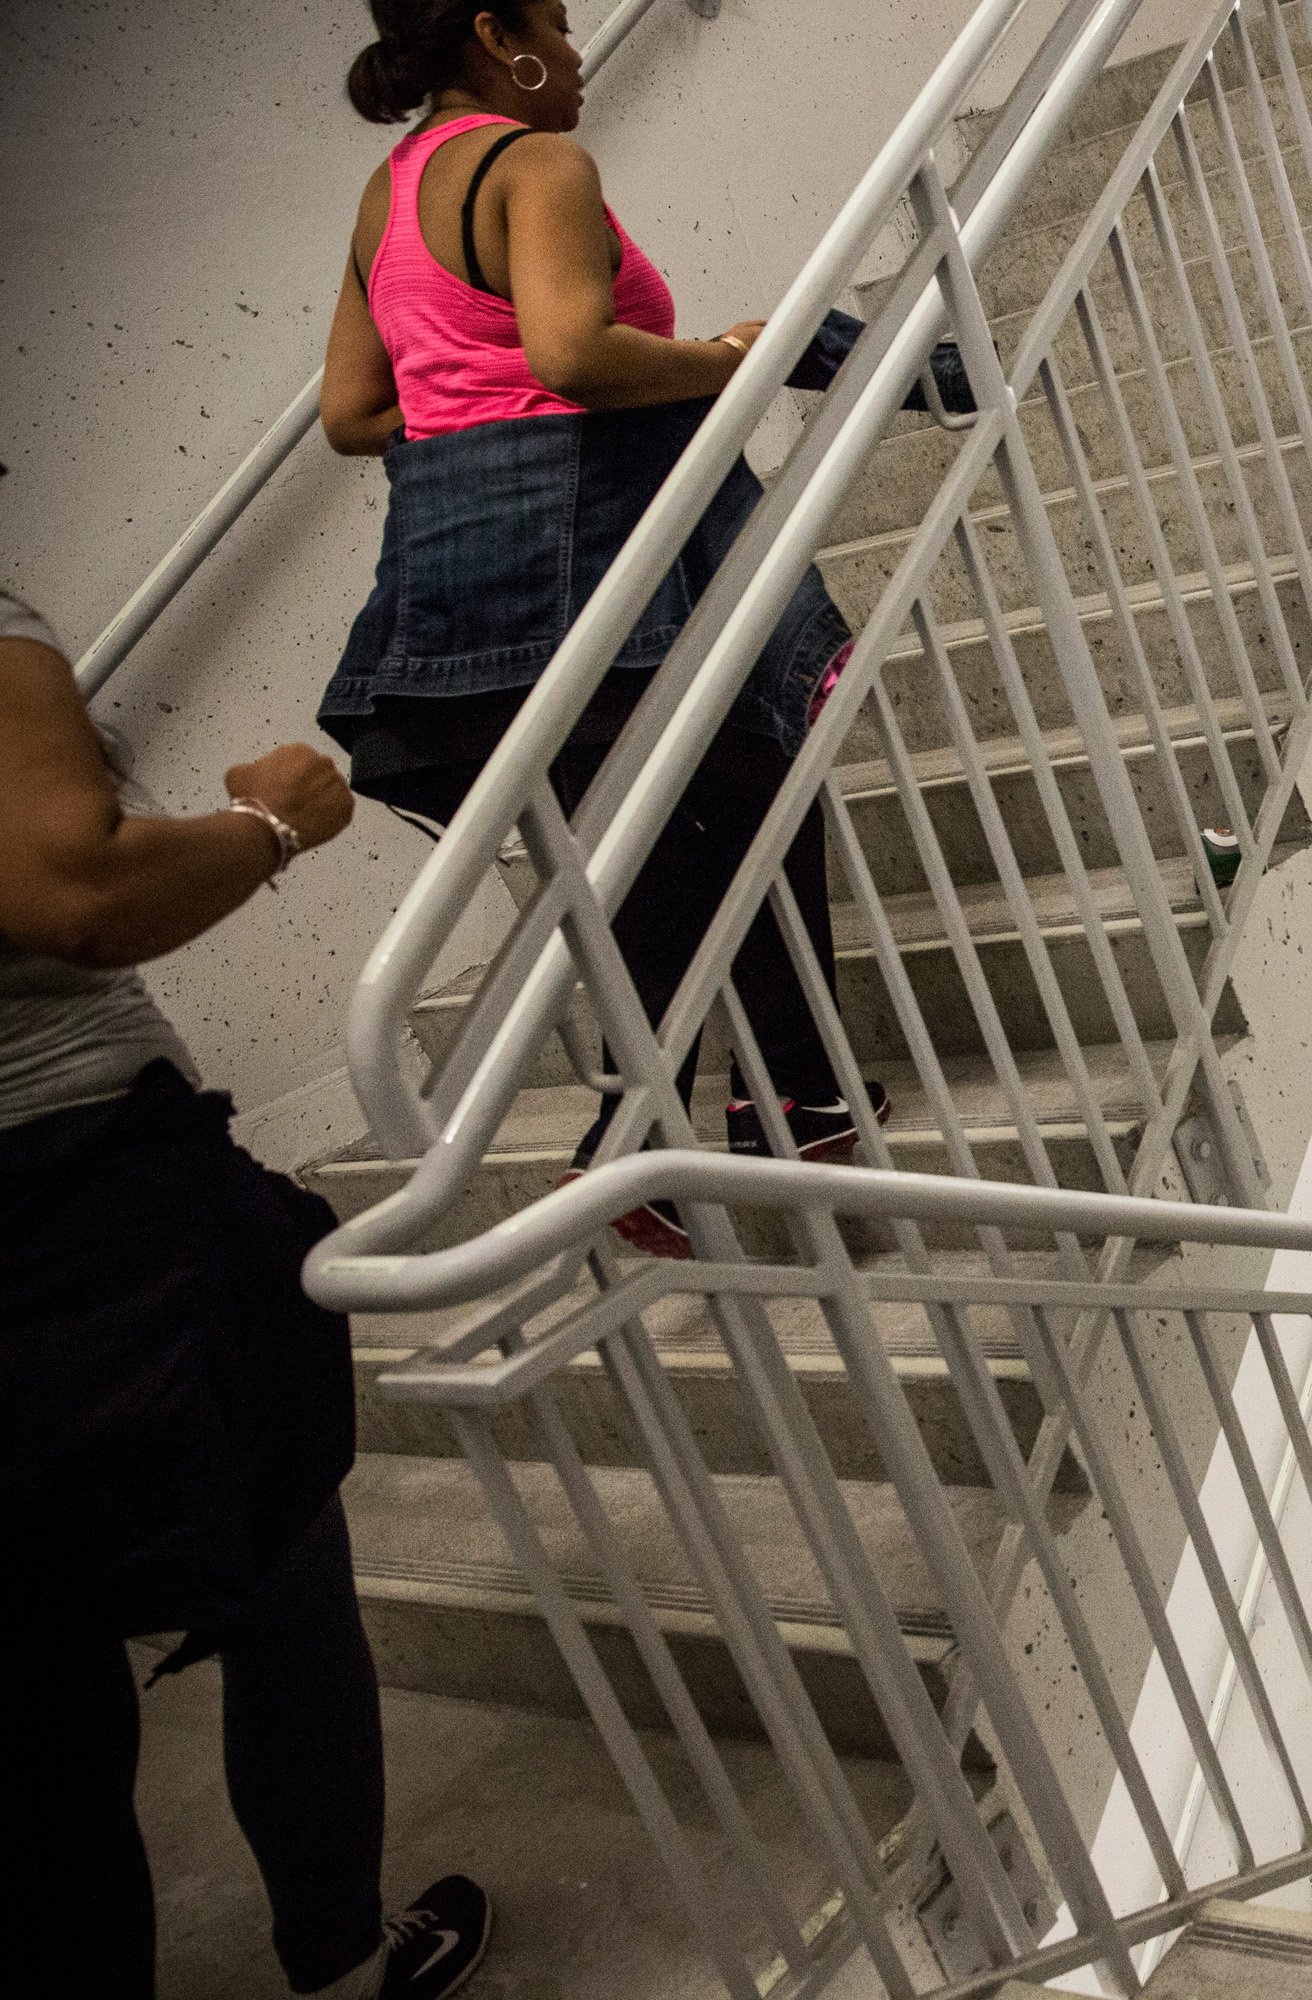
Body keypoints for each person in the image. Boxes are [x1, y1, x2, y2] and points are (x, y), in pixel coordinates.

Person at [317, 0, 884, 1257]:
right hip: (598, 560)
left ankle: (778, 1100)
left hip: (450, 588)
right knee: (735, 793)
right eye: (561, 27)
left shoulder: (387, 191)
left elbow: (356, 414)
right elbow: (573, 355)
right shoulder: (540, 164)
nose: (575, 57)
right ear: (496, 33)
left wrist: (478, 435)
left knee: (685, 826)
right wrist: (733, 358)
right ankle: (697, 1118)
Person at [0, 586, 491, 1998]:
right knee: (281, 1582)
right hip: (78, 1213)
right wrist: (275, 820)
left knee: (43, 1731)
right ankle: (339, 1961)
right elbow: (73, 893)